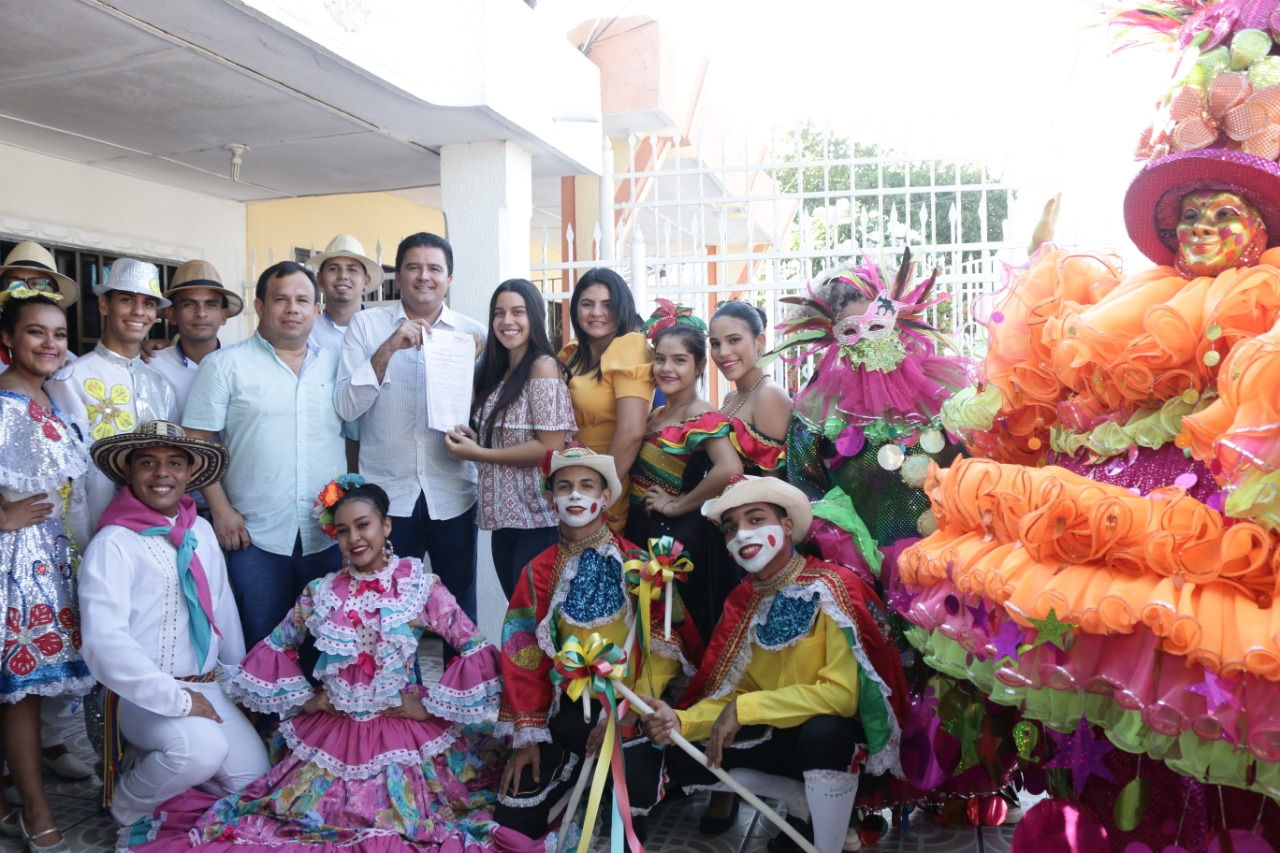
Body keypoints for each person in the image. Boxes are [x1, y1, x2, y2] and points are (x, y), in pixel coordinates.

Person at [898, 8, 1280, 841]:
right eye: (1190, 213)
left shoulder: (1266, 318)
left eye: (1228, 210)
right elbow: (1058, 418)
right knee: (1121, 700)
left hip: (1229, 548)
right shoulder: (1120, 321)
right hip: (1123, 535)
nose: (1202, 228)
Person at [124, 478, 507, 853]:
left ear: (386, 525)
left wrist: (426, 706)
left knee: (401, 820)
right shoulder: (321, 592)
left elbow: (472, 646)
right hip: (332, 731)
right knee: (304, 816)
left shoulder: (419, 586)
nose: (354, 538)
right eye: (343, 531)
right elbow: (275, 646)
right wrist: (307, 701)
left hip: (400, 729)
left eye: (363, 525)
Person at [640, 476, 909, 853]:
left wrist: (745, 708)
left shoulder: (833, 587)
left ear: (786, 527)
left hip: (841, 746)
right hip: (778, 738)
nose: (741, 535)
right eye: (730, 528)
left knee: (824, 733)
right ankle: (799, 801)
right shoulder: (743, 603)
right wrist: (680, 722)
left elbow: (843, 697)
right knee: (682, 749)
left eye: (755, 520)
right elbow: (729, 696)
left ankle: (825, 843)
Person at [491, 447, 702, 851]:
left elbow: (665, 649)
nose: (574, 495)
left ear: (606, 497)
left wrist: (626, 712)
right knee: (515, 816)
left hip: (631, 706)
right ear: (550, 498)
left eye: (586, 485)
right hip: (567, 707)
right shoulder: (536, 572)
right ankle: (574, 784)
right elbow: (524, 655)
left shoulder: (641, 565)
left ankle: (616, 788)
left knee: (632, 792)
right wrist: (528, 738)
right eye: (564, 487)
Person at [77, 421, 269, 842]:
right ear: (129, 473)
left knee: (253, 787)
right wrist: (176, 699)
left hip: (205, 685)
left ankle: (164, 768)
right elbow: (104, 642)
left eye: (174, 463)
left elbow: (222, 608)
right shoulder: (114, 542)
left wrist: (237, 683)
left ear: (189, 474)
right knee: (200, 750)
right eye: (148, 463)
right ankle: (127, 802)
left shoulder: (198, 530)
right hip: (139, 694)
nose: (161, 473)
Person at [182, 261, 345, 650]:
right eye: (281, 299)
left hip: (326, 533)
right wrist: (220, 510)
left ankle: (316, 715)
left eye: (303, 300)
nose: (293, 308)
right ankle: (268, 715)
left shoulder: (339, 366)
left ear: (316, 309)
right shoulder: (224, 365)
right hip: (253, 537)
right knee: (263, 649)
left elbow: (352, 440)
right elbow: (195, 444)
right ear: (259, 305)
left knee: (328, 649)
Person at [335, 232, 487, 625]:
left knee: (457, 610)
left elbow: (489, 414)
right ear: (397, 276)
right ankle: (401, 689)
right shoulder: (366, 327)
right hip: (390, 495)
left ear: (449, 279)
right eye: (413, 267)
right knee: (389, 611)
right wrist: (387, 349)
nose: (424, 276)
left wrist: (477, 436)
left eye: (434, 268)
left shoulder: (474, 335)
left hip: (452, 490)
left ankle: (465, 685)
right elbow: (346, 406)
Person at [0, 290, 94, 852]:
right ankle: (35, 809)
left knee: (18, 692)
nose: (50, 344)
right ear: (8, 338)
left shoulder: (50, 399)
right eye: (36, 332)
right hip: (10, 559)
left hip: (48, 556)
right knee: (20, 692)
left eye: (59, 334)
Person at [444, 279, 575, 600]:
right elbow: (487, 429)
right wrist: (477, 442)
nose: (507, 321)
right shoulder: (497, 372)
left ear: (534, 317)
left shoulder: (542, 367)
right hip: (504, 519)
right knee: (519, 621)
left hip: (537, 520)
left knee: (533, 622)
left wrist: (480, 453)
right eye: (499, 313)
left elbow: (550, 447)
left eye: (518, 312)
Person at [627, 308, 742, 642]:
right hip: (643, 528)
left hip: (677, 540)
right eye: (660, 359)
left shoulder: (702, 414)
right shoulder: (656, 413)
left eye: (679, 360)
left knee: (674, 632)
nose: (667, 368)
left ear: (699, 366)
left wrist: (678, 505)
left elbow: (729, 468)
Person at [47, 258, 177, 529]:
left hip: (155, 530)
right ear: (104, 304)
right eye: (128, 299)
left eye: (149, 303)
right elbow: (67, 478)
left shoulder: (160, 385)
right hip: (95, 529)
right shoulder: (71, 379)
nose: (139, 311)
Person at [557, 268, 654, 531]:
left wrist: (602, 491)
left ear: (623, 309)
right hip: (569, 486)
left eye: (607, 305)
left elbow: (632, 431)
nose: (596, 313)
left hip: (607, 484)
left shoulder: (631, 348)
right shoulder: (573, 353)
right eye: (587, 304)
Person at [147, 260, 242, 419]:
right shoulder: (153, 366)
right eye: (189, 304)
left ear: (223, 315)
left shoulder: (240, 362)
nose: (201, 313)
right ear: (172, 315)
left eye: (211, 304)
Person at [708, 300, 791, 477]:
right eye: (715, 344)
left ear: (760, 341)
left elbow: (775, 485)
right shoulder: (731, 397)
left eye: (734, 340)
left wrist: (678, 506)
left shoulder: (769, 395)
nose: (723, 352)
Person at [306, 233, 381, 355]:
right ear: (320, 279)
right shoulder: (307, 332)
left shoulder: (382, 330)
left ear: (366, 280)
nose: (343, 276)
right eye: (333, 269)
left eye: (352, 269)